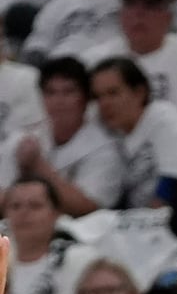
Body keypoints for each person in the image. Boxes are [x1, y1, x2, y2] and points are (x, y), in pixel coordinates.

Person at [92, 55, 177, 208]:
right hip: (146, 222)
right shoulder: (111, 136)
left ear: (139, 92)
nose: (104, 104)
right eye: (98, 97)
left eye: (113, 93)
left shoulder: (163, 116)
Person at [3, 58, 121, 217]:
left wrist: (37, 165)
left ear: (85, 99)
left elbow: (88, 207)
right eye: (51, 92)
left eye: (68, 92)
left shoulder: (106, 148)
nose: (59, 101)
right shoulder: (25, 139)